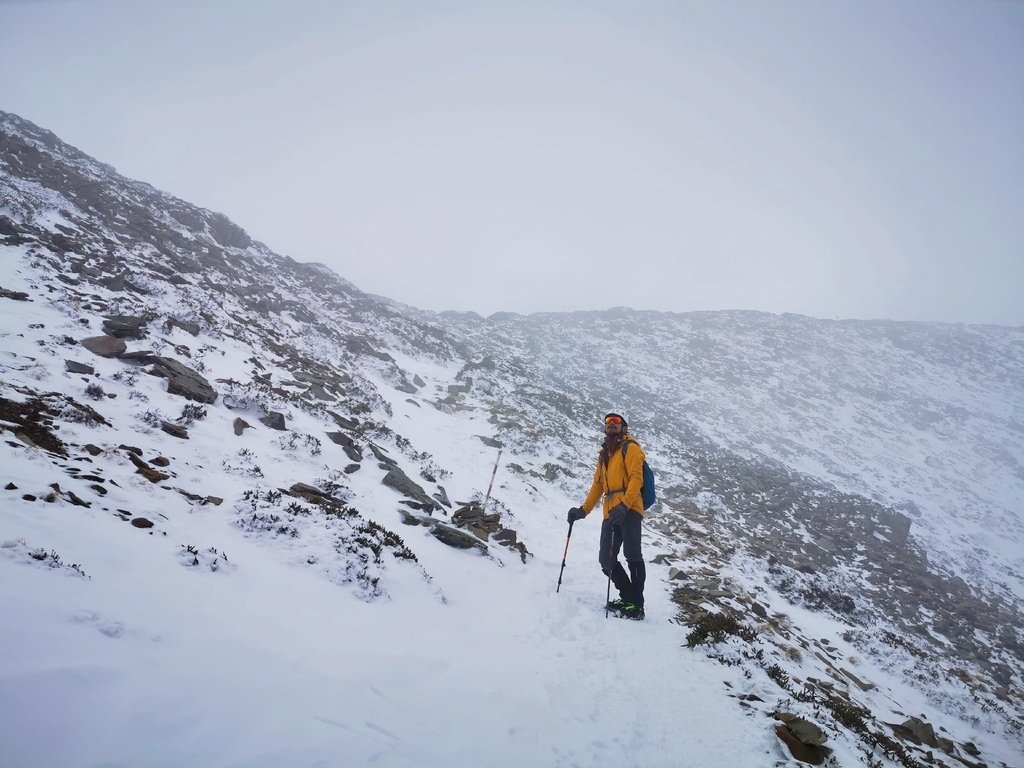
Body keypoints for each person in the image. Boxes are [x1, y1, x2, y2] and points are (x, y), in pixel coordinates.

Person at [567, 412, 647, 619]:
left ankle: (637, 605)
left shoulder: (631, 448)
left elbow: (636, 480)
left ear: (624, 427)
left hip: (629, 510)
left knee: (632, 555)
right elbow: (599, 485)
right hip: (610, 512)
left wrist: (625, 505)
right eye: (608, 422)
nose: (611, 424)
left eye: (616, 421)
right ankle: (628, 596)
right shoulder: (604, 454)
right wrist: (583, 510)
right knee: (606, 559)